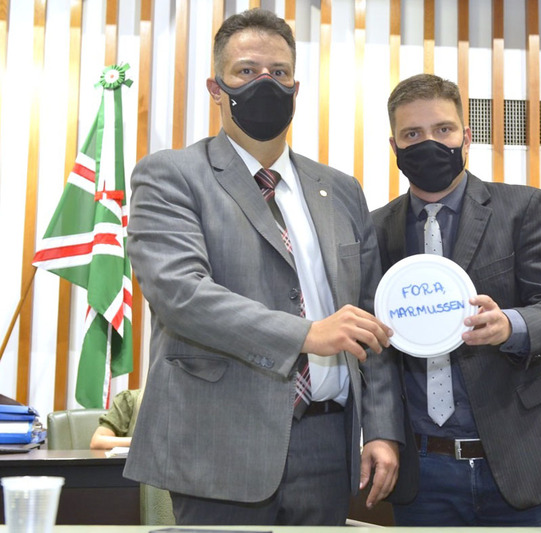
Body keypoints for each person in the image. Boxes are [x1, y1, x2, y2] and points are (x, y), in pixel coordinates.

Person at [123, 8, 403, 526]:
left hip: (327, 444)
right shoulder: (170, 176)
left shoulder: (341, 190)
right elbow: (181, 295)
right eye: (246, 71)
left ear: (296, 88)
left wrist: (382, 429)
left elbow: (371, 318)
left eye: (279, 72)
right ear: (216, 88)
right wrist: (307, 334)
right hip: (218, 443)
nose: (265, 83)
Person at [371, 73, 541, 527]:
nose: (429, 143)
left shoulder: (521, 208)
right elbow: (375, 351)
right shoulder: (374, 230)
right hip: (423, 472)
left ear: (466, 137)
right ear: (394, 147)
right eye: (413, 134)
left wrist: (511, 325)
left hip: (519, 458)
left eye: (443, 129)